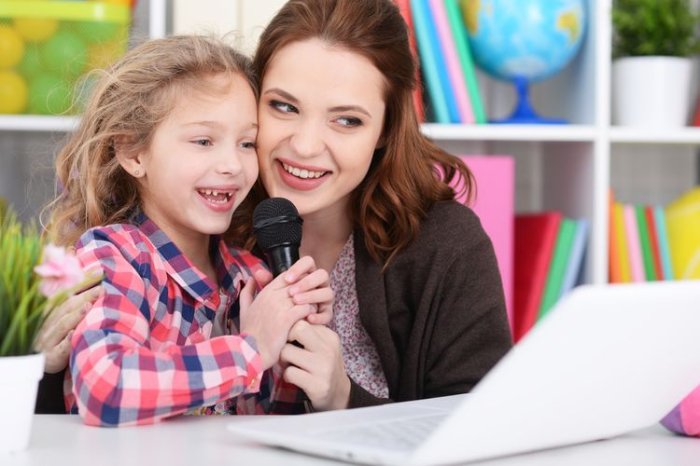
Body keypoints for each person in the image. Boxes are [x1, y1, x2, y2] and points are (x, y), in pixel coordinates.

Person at [37, 0, 512, 414]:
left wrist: (342, 396)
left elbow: (479, 430)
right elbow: (96, 394)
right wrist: (40, 371)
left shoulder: (445, 243)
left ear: (385, 131)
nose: (305, 146)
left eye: (347, 120)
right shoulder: (210, 219)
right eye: (284, 107)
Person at [43, 35, 333, 426]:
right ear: (132, 153)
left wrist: (296, 338)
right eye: (203, 140)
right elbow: (106, 389)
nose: (232, 164)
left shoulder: (249, 276)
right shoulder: (115, 257)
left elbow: (276, 420)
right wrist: (251, 349)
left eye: (247, 143)